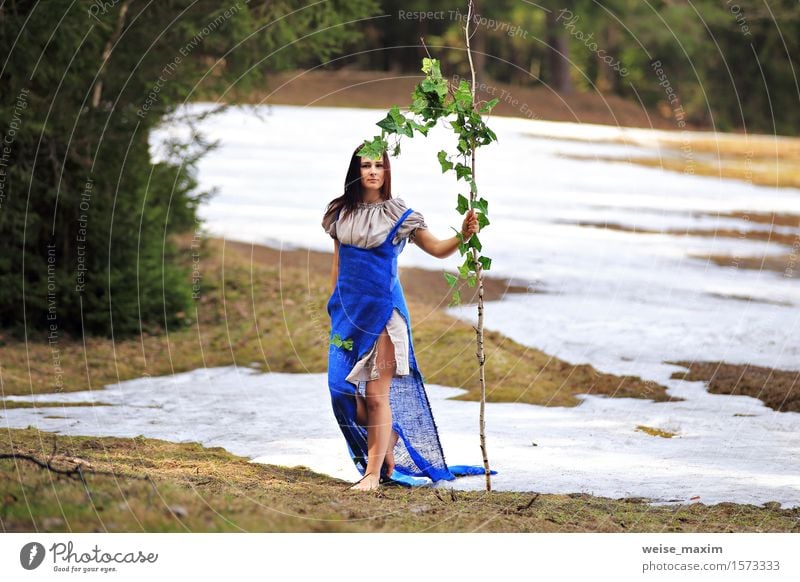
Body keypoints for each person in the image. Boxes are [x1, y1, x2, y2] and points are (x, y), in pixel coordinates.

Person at [322, 143, 494, 492]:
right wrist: (333, 304)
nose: (372, 171)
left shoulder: (399, 215)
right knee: (340, 390)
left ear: (386, 171)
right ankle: (391, 435)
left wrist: (463, 235)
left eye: (378, 165)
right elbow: (338, 265)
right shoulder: (340, 213)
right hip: (347, 313)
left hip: (386, 315)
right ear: (356, 171)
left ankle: (372, 475)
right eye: (366, 165)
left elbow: (436, 249)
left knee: (375, 396)